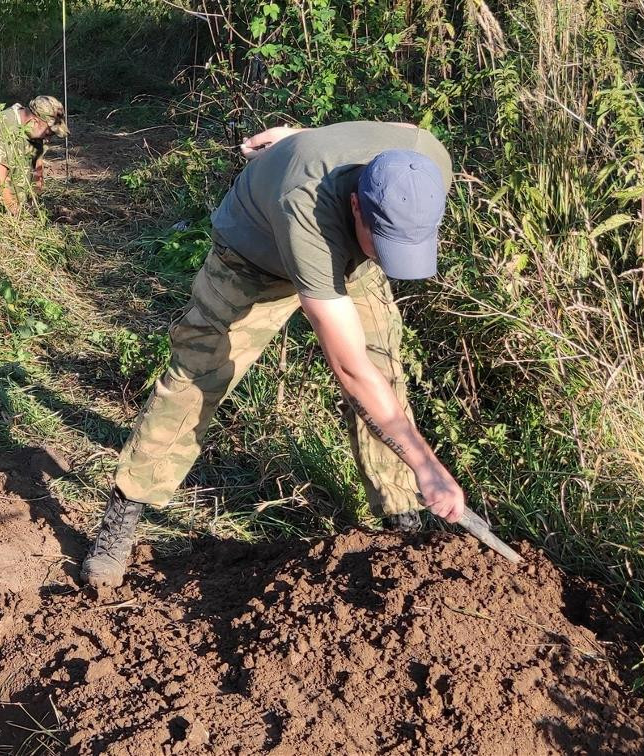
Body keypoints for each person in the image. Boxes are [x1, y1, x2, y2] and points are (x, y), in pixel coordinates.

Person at [82, 120, 467, 590]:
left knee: (385, 376)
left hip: (344, 249)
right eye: (385, 244)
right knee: (198, 376)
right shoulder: (305, 207)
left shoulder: (425, 158)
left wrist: (306, 140)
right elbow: (349, 368)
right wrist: (430, 466)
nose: (393, 259)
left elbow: (398, 130)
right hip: (253, 256)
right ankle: (125, 514)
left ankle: (401, 515)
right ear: (355, 206)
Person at [0, 95, 69, 213]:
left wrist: (33, 205)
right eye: (48, 134)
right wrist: (18, 215)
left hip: (17, 207)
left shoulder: (33, 130)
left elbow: (37, 172)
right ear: (34, 121)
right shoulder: (3, 128)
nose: (48, 140)